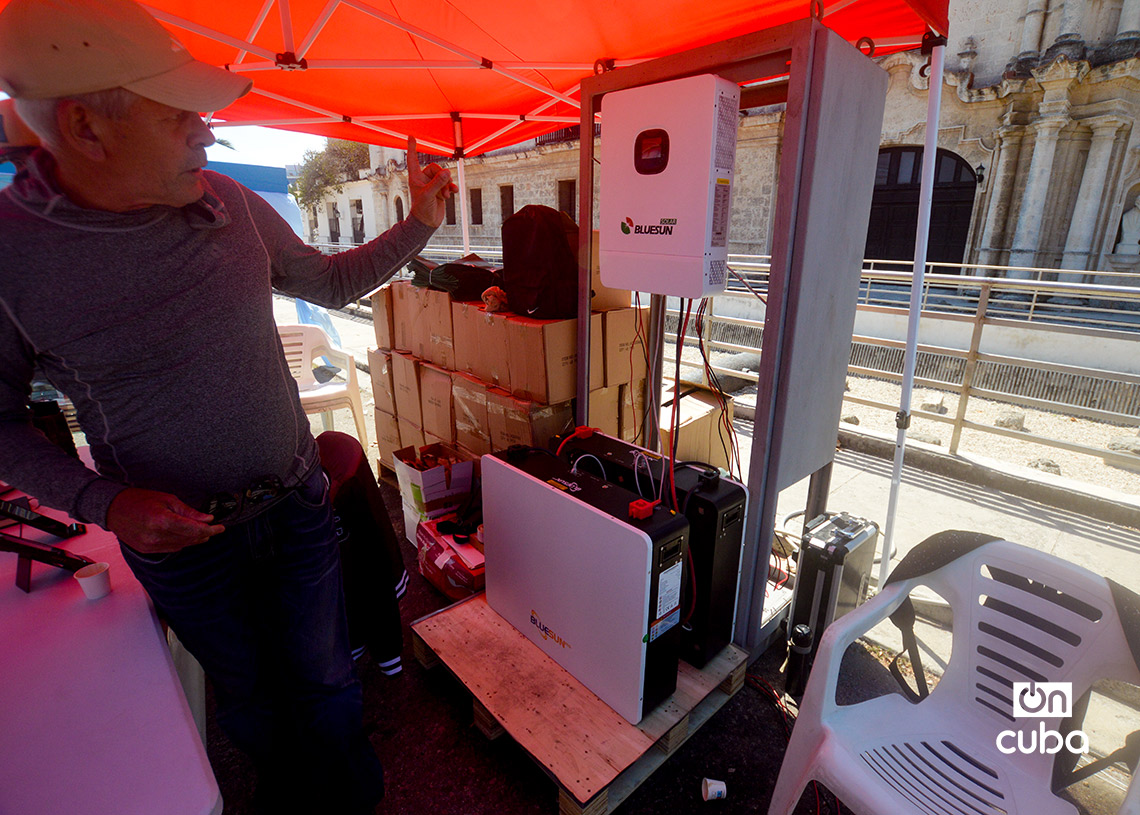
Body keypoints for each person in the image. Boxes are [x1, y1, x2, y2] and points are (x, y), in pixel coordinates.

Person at [0, 0, 456, 811]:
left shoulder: (229, 203)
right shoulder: (13, 260)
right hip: (184, 550)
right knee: (250, 701)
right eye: (180, 118)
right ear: (86, 129)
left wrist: (419, 223)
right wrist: (104, 502)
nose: (207, 135)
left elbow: (329, 281)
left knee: (326, 681)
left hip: (295, 502)